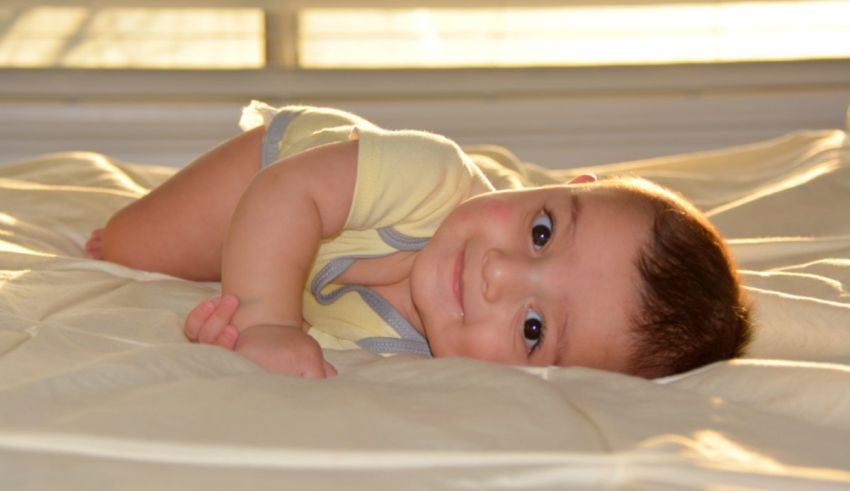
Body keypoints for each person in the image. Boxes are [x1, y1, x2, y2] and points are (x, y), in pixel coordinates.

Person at [86, 102, 752, 379]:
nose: (498, 275)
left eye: (531, 327)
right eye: (541, 232)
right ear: (564, 184)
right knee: (122, 250)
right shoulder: (431, 176)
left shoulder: (423, 365)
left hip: (296, 240)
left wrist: (235, 330)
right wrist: (263, 319)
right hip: (279, 174)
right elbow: (284, 197)